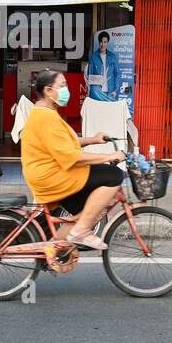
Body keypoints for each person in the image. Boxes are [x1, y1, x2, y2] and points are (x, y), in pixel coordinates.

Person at [20, 70, 126, 251]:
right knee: (113, 175)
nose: (66, 89)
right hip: (51, 176)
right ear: (48, 91)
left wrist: (92, 140)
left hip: (50, 173)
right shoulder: (46, 118)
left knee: (83, 212)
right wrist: (110, 156)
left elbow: (63, 144)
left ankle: (54, 251)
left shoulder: (46, 112)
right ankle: (81, 231)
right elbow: (72, 157)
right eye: (62, 86)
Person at [87, 31, 121, 102]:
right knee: (98, 112)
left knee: (109, 112)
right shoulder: (93, 57)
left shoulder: (113, 57)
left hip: (110, 92)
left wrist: (115, 90)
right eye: (101, 42)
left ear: (107, 43)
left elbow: (117, 74)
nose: (103, 44)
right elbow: (89, 75)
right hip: (97, 93)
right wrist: (92, 91)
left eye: (105, 42)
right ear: (99, 42)